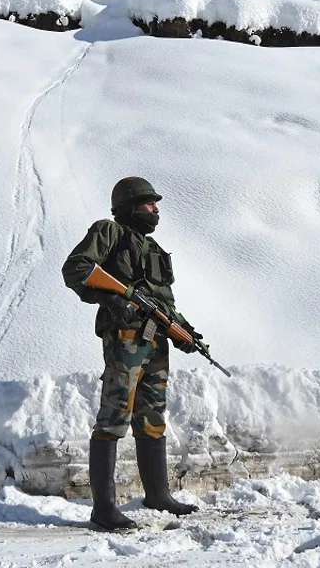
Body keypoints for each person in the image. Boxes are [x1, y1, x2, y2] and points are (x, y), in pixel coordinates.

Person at [62, 176, 201, 532]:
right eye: (148, 203)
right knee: (114, 415)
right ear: (129, 206)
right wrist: (110, 299)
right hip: (125, 336)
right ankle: (103, 509)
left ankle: (158, 495)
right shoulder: (109, 232)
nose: (155, 210)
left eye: (155, 204)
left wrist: (186, 333)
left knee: (152, 416)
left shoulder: (153, 250)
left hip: (155, 340)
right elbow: (76, 268)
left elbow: (165, 303)